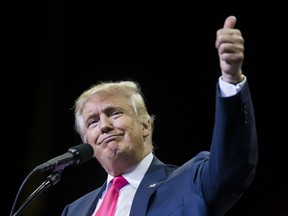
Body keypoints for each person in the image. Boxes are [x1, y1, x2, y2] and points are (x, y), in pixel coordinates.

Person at [61, 15, 258, 216]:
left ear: (146, 125)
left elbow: (232, 167)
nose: (104, 125)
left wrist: (231, 81)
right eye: (93, 121)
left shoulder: (190, 181)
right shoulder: (74, 211)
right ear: (88, 143)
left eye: (115, 113)